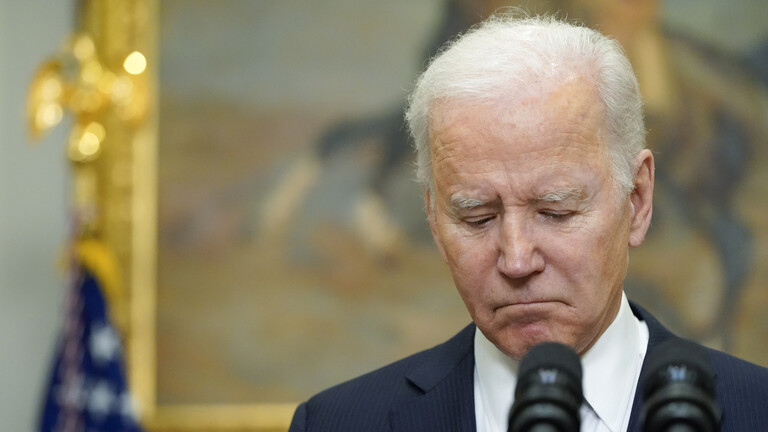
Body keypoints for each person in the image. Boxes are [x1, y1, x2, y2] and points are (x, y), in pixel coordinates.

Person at [288, 13, 768, 432]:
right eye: (477, 218)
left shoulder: (757, 412)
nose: (516, 261)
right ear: (433, 220)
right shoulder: (339, 423)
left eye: (555, 212)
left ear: (637, 200)